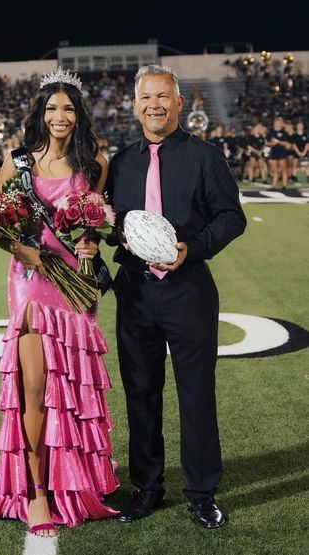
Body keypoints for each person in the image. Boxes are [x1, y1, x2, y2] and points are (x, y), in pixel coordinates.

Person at [0, 68, 119, 538]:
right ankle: (36, 493)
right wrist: (23, 250)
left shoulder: (95, 160)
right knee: (34, 385)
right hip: (31, 279)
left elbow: (95, 221)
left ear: (79, 114)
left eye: (68, 108)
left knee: (68, 387)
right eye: (52, 108)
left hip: (74, 282)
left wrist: (93, 241)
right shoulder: (19, 164)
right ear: (39, 113)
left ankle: (73, 478)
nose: (60, 116)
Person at [106, 65, 247, 529]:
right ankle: (147, 487)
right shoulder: (120, 162)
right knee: (140, 393)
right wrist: (110, 237)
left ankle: (202, 491)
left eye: (163, 97)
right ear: (133, 105)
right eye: (146, 97)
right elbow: (109, 226)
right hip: (135, 293)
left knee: (196, 394)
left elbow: (231, 216)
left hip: (188, 291)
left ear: (180, 103)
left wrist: (193, 248)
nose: (155, 105)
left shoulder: (205, 157)